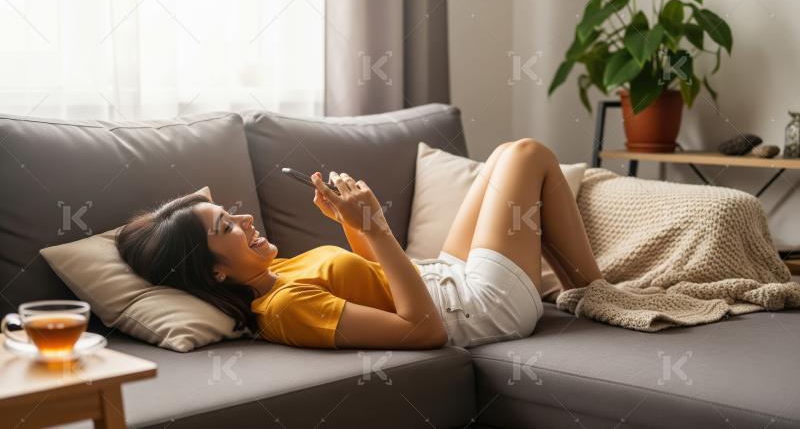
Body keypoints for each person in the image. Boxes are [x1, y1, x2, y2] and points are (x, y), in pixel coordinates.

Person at [117, 138, 603, 350]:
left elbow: (379, 281)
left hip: (438, 278)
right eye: (227, 228)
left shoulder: (283, 269)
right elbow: (423, 332)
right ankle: (595, 293)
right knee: (527, 154)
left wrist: (349, 223)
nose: (245, 219)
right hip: (474, 310)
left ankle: (585, 291)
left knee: (501, 157)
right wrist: (375, 228)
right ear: (214, 272)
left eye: (231, 212)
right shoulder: (284, 308)